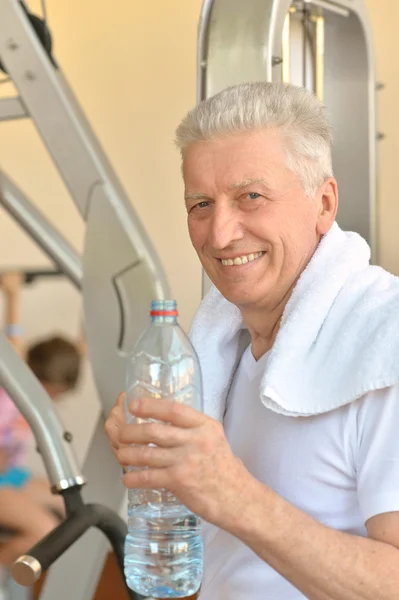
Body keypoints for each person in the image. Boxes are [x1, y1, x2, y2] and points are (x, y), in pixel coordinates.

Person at [104, 82, 399, 599]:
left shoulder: (385, 341)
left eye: (251, 197)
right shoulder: (219, 349)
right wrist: (170, 470)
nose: (219, 235)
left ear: (324, 203)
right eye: (200, 204)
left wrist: (233, 494)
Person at [0, 271, 81, 566]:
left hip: (11, 475)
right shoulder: (12, 388)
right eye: (52, 390)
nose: (53, 398)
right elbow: (12, 344)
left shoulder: (38, 398)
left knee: (75, 508)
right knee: (43, 531)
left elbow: (82, 349)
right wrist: (13, 295)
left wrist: (89, 291)